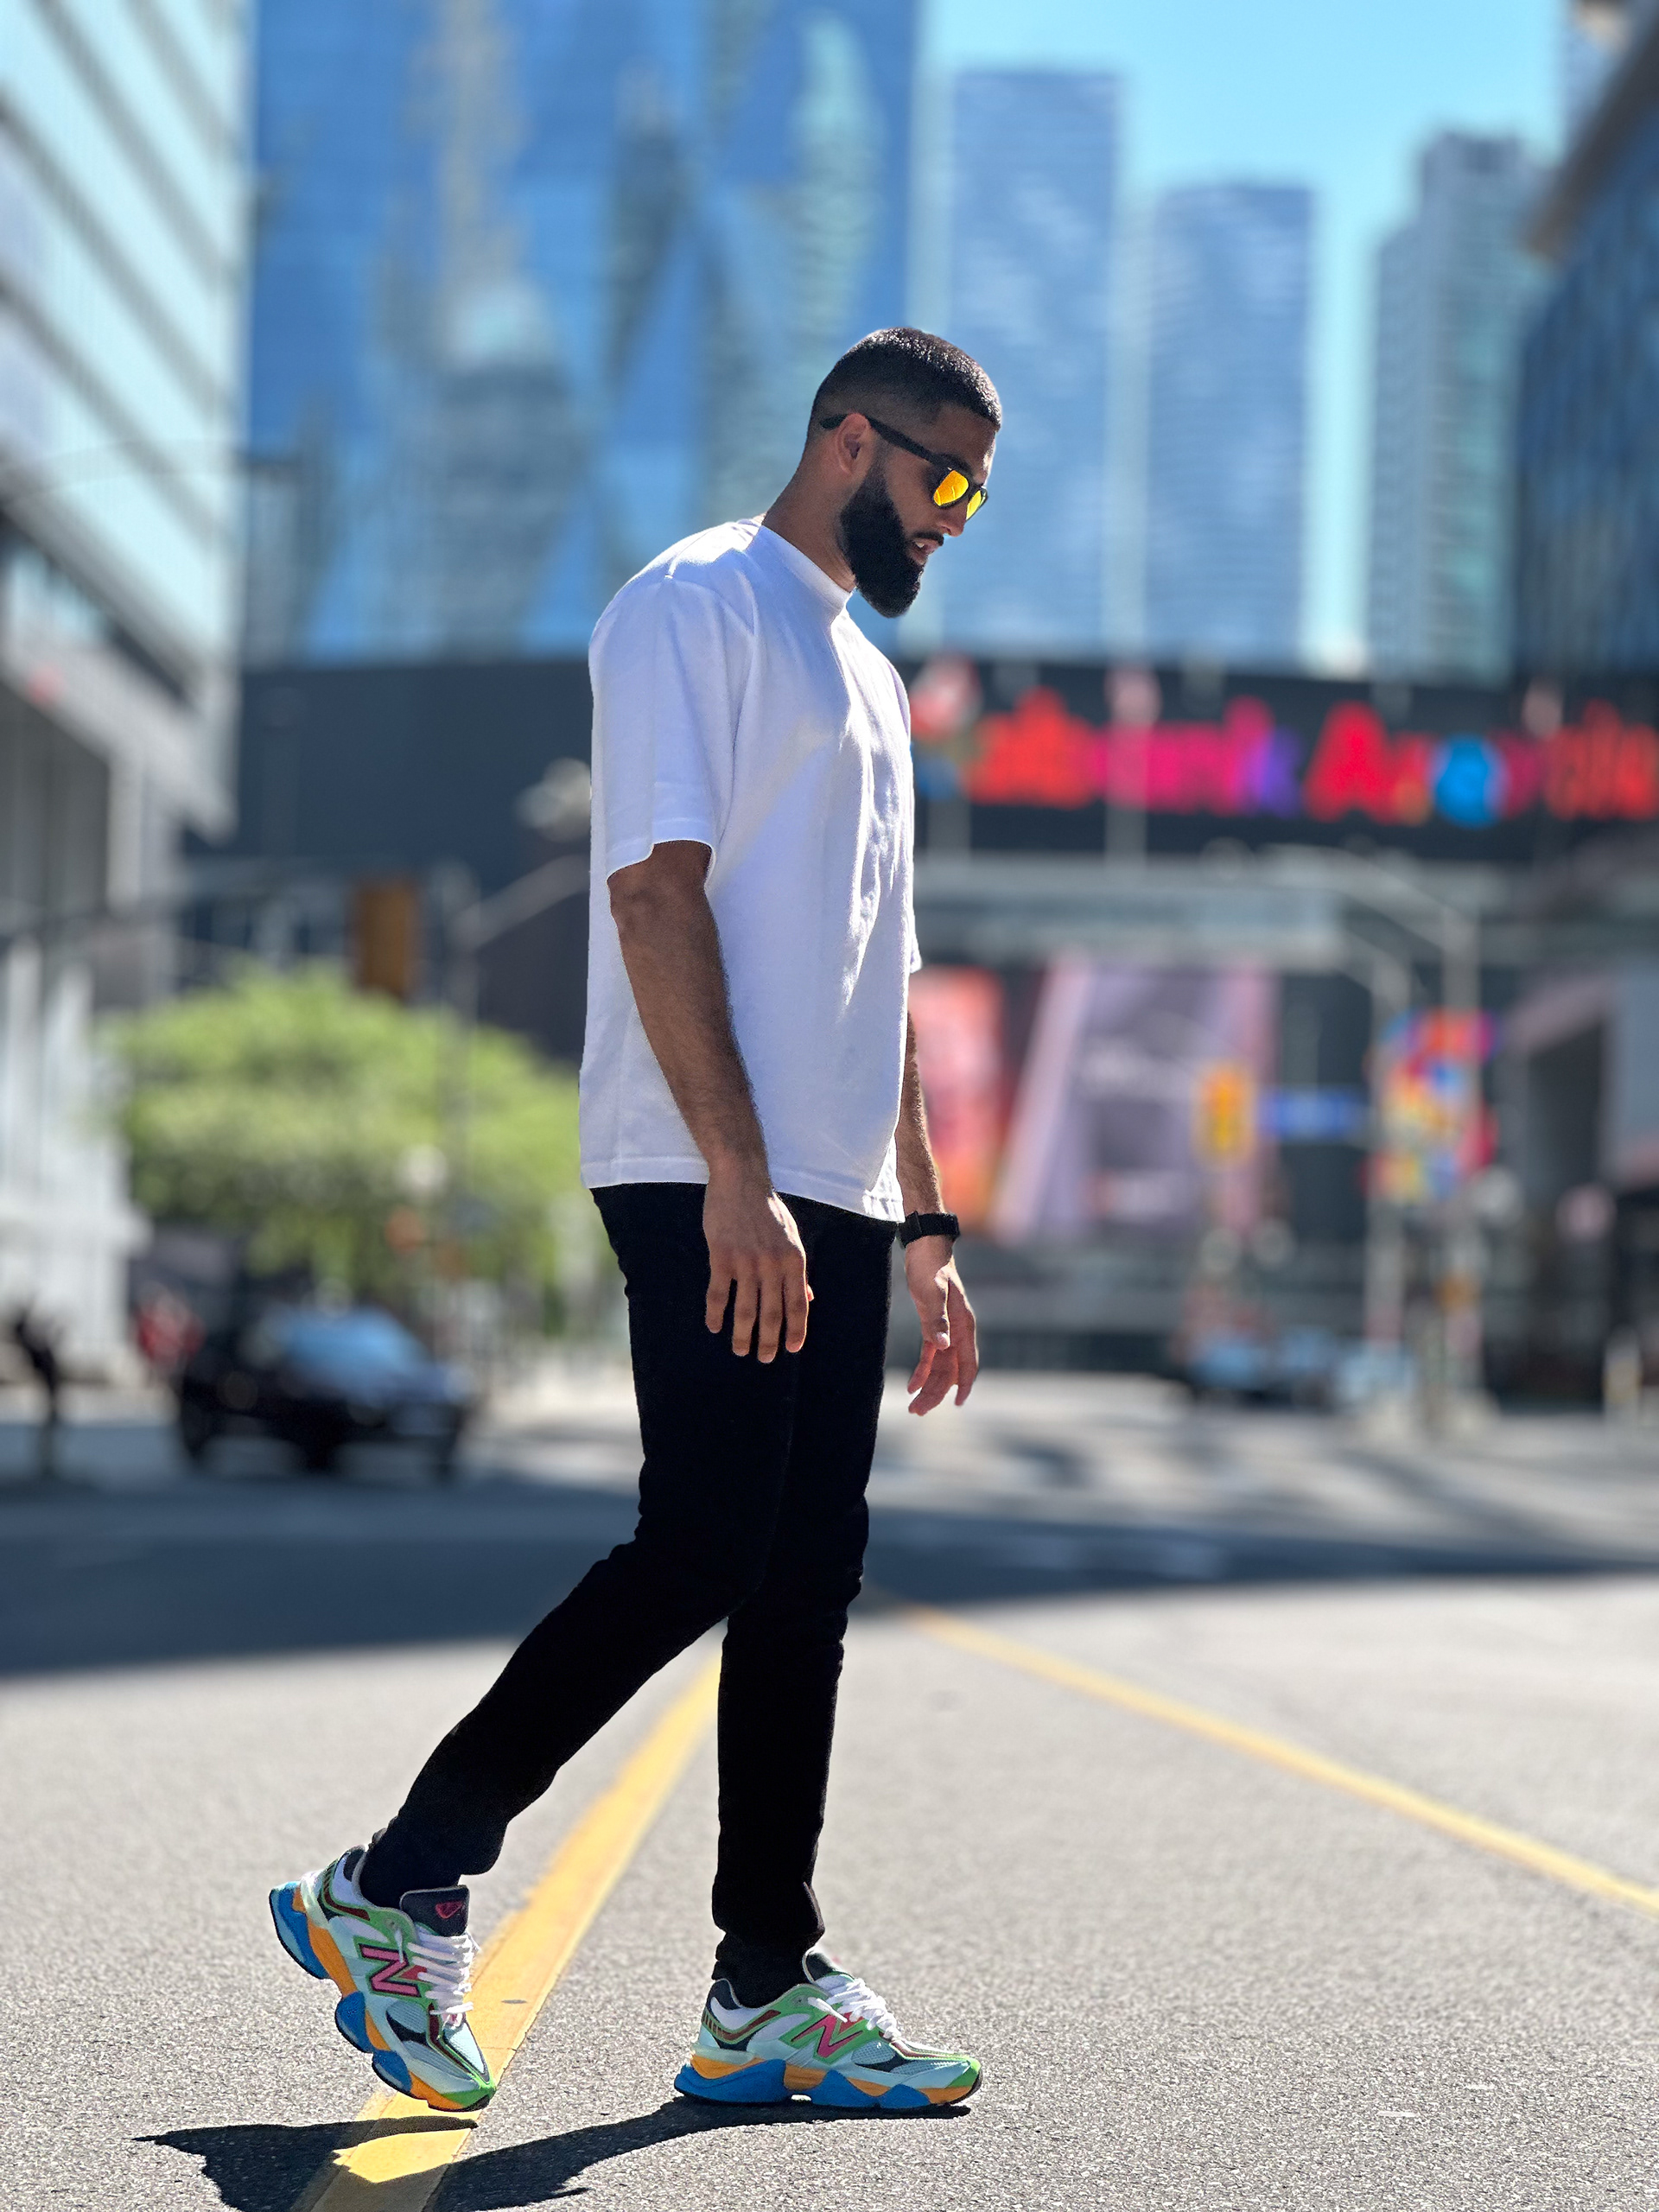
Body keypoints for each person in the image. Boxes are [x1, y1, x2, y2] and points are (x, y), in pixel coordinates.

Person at [271, 327, 1000, 2116]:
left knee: (802, 1574)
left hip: (831, 1184)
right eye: (946, 480)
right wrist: (734, 1170)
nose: (958, 520)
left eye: (978, 492)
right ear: (848, 438)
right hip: (705, 1165)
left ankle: (766, 1978)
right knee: (703, 1539)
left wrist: (925, 1225)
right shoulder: (692, 606)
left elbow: (886, 976)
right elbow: (655, 891)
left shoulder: (879, 678)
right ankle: (400, 1876)